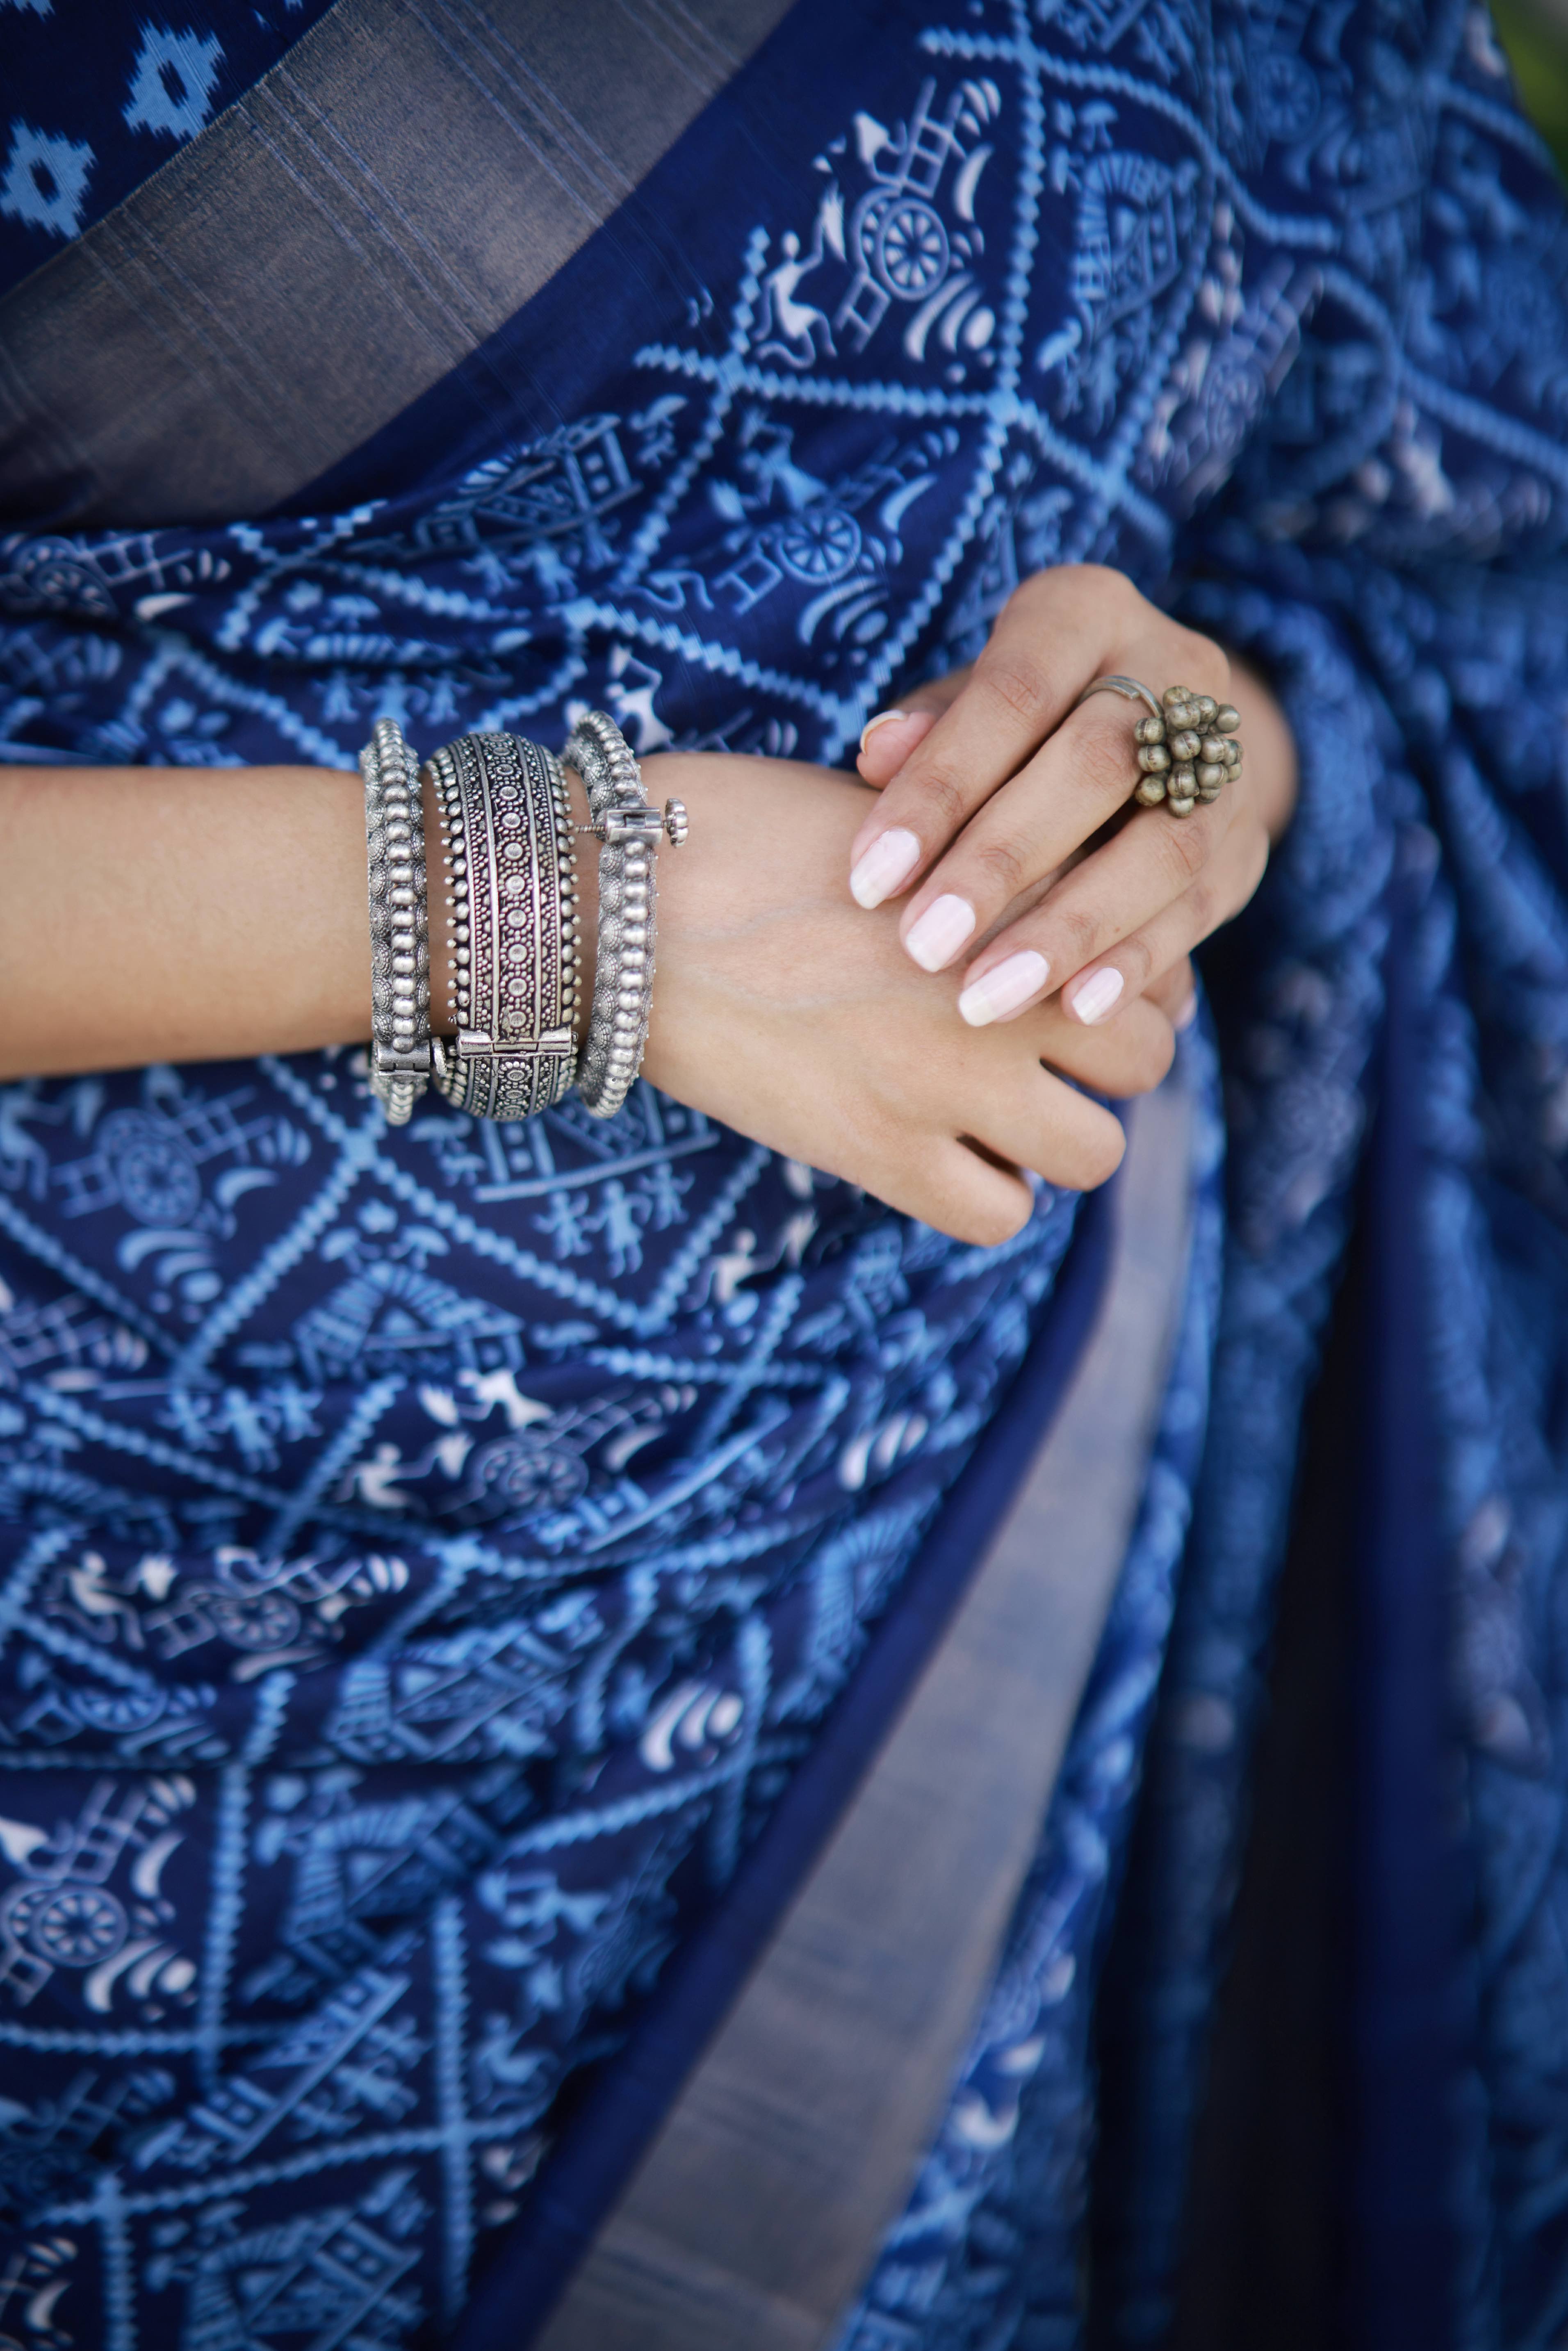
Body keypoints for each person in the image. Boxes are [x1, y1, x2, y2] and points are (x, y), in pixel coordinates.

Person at [0, 0, 1562, 2346]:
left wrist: (1187, 750)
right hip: (101, 1781)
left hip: (913, 1714)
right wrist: (590, 903)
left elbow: (1434, 558)